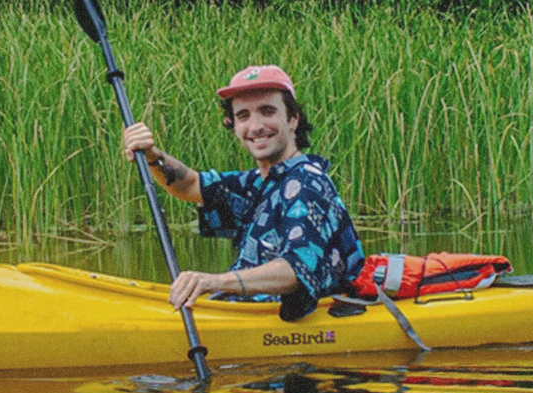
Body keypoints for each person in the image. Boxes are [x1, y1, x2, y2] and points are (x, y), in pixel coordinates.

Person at [122, 65, 366, 321]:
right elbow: (190, 185)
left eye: (267, 111)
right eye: (243, 116)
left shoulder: (307, 182)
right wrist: (152, 156)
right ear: (234, 125)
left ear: (293, 119)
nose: (256, 126)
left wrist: (216, 281)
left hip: (299, 326)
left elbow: (295, 269)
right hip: (251, 313)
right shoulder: (258, 183)